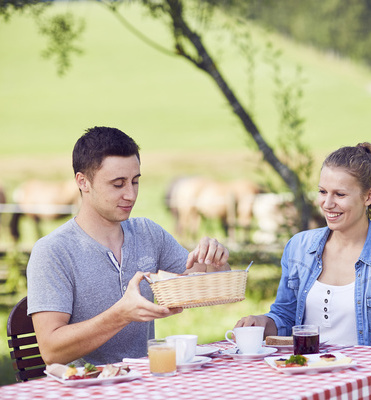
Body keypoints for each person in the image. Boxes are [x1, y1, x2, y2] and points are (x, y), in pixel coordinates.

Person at [26, 126, 231, 366]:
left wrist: (214, 263)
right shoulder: (52, 252)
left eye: (135, 182)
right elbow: (51, 351)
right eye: (118, 184)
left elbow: (199, 286)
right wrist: (120, 315)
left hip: (146, 382)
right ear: (83, 182)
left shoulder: (147, 232)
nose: (131, 195)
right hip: (86, 389)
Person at [235, 142, 371, 349]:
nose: (327, 203)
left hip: (364, 376)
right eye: (323, 192)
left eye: (340, 194)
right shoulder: (299, 247)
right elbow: (284, 316)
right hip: (306, 370)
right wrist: (262, 323)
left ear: (369, 196)